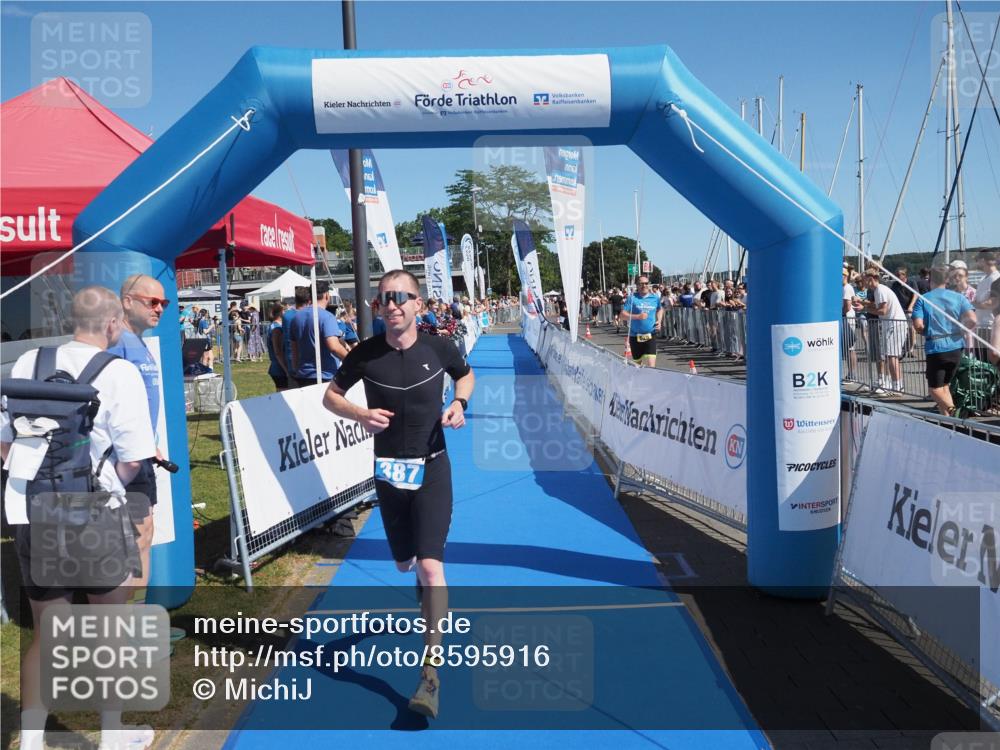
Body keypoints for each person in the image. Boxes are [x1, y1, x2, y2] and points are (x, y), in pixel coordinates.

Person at [1, 286, 156, 750]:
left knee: (48, 630)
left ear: (71, 320)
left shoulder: (28, 364)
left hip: (31, 507)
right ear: (112, 323)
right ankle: (111, 735)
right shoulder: (120, 372)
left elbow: (4, 442)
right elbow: (132, 459)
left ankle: (30, 740)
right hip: (95, 511)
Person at [323, 269, 475, 720]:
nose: (392, 304)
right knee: (405, 563)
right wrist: (360, 413)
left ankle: (430, 675)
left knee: (431, 567)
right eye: (384, 298)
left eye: (401, 297)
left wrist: (459, 403)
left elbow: (465, 377)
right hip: (389, 474)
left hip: (432, 468)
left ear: (418, 304)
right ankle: (418, 578)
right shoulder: (366, 355)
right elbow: (331, 396)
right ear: (376, 308)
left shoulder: (439, 347)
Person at [108, 274, 169, 604]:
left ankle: (129, 619)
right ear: (127, 301)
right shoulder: (117, 340)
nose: (159, 308)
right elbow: (107, 399)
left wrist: (150, 442)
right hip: (124, 457)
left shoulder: (137, 340)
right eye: (152, 302)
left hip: (140, 452)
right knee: (132, 538)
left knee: (142, 535)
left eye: (164, 303)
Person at [911, 266, 977, 416]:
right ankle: (948, 421)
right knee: (944, 386)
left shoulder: (923, 299)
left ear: (930, 280)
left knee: (934, 389)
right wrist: (960, 331)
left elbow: (918, 325)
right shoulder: (959, 297)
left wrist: (925, 331)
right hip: (956, 347)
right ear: (947, 280)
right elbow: (972, 320)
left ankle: (954, 411)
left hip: (936, 347)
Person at [854, 269, 906, 393]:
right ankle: (895, 384)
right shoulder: (878, 290)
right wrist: (862, 304)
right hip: (891, 325)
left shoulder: (880, 290)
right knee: (890, 356)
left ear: (870, 279)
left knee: (891, 356)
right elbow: (876, 306)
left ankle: (897, 386)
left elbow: (882, 311)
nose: (863, 282)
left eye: (864, 279)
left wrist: (864, 309)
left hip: (895, 325)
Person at [289, 280, 348, 387]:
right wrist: (351, 360)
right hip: (325, 375)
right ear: (327, 295)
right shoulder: (327, 317)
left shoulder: (296, 317)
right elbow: (334, 346)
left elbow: (294, 348)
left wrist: (296, 369)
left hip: (303, 375)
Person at [622, 275, 662, 367]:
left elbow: (660, 309)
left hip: (650, 335)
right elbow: (622, 315)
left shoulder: (655, 298)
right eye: (641, 284)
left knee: (652, 367)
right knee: (637, 366)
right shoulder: (632, 298)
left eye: (646, 283)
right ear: (637, 285)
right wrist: (637, 316)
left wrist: (659, 321)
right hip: (635, 336)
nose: (644, 286)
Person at [973, 251, 999, 363]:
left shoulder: (995, 279)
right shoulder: (984, 279)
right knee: (981, 361)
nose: (976, 263)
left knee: (988, 362)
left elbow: (992, 302)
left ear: (983, 260)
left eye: (977, 260)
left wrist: (973, 304)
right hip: (981, 325)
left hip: (990, 326)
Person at [266, 303, 291, 390]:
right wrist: (287, 370)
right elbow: (278, 352)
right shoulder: (276, 328)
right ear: (281, 312)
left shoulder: (278, 326)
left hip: (280, 367)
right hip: (280, 368)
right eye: (287, 310)